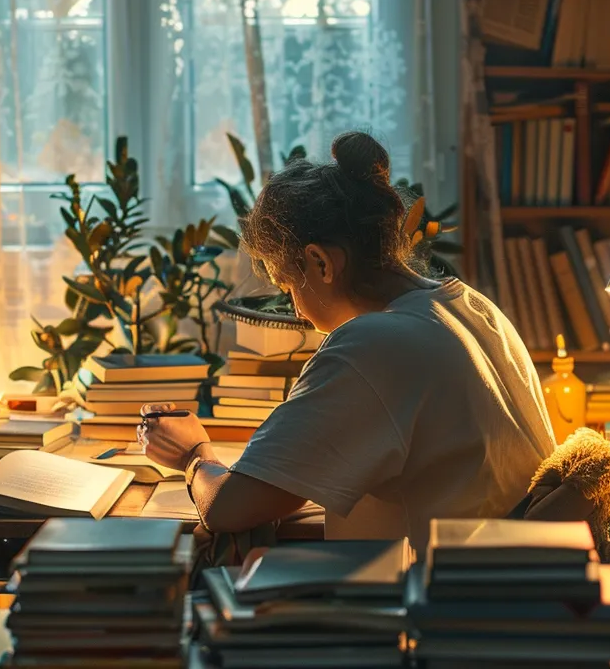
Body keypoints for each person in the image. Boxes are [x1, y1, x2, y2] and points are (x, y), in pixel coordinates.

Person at [139, 132, 556, 550]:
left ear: (320, 262)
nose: (296, 309)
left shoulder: (374, 344)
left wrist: (194, 455)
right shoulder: (473, 305)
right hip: (517, 577)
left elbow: (230, 507)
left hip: (437, 598)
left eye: (288, 286)